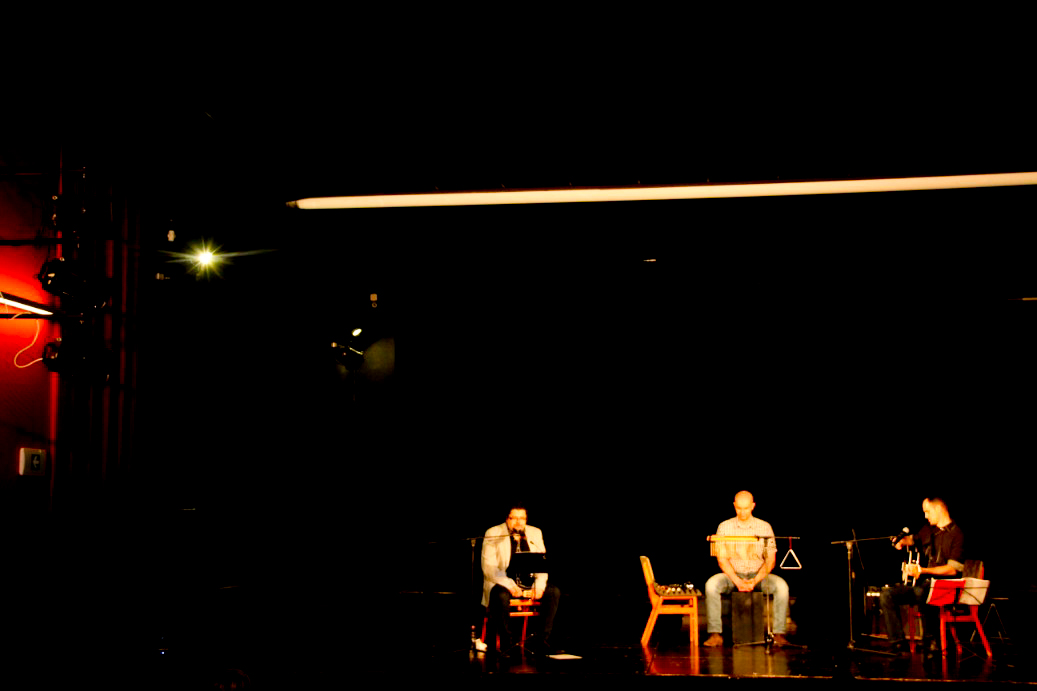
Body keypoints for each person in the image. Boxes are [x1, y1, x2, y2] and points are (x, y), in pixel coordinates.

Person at [703, 491, 790, 647]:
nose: (742, 512)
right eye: (739, 508)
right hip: (732, 575)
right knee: (711, 585)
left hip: (758, 575)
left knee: (781, 586)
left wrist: (754, 581)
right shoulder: (724, 527)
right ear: (734, 506)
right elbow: (722, 559)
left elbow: (770, 560)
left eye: (746, 508)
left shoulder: (764, 527)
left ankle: (779, 634)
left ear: (753, 506)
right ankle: (715, 634)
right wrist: (738, 581)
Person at [880, 497, 964, 653]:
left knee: (921, 590)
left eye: (927, 511)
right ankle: (898, 642)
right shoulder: (929, 530)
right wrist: (901, 541)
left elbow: (953, 570)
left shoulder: (957, 534)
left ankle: (931, 639)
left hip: (946, 587)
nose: (925, 516)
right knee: (887, 594)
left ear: (938, 509)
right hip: (925, 586)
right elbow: (913, 539)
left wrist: (923, 570)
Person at [481, 503, 562, 656]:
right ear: (507, 519)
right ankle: (506, 642)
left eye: (522, 518)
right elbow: (489, 568)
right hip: (503, 582)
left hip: (529, 583)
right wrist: (510, 585)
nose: (519, 522)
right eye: (514, 518)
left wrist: (539, 587)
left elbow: (542, 565)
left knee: (553, 592)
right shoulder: (493, 533)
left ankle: (542, 641)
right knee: (501, 595)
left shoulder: (535, 533)